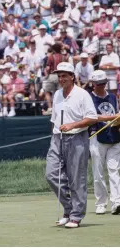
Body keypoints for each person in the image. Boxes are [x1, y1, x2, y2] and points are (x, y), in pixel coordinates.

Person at [46, 62, 98, 228]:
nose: (61, 79)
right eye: (59, 76)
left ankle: (75, 215)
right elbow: (54, 119)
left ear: (72, 77)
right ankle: (69, 208)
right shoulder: (57, 95)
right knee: (51, 174)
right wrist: (54, 136)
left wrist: (72, 125)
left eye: (64, 75)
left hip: (77, 138)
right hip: (57, 138)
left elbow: (92, 118)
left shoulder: (82, 94)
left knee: (77, 179)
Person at [89, 70, 120, 215]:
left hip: (114, 138)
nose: (101, 86)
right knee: (98, 173)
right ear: (93, 84)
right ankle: (101, 203)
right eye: (98, 84)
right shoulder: (88, 99)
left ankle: (117, 202)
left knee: (114, 171)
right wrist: (112, 116)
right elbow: (92, 117)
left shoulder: (113, 97)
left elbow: (117, 115)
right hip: (97, 138)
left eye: (103, 84)